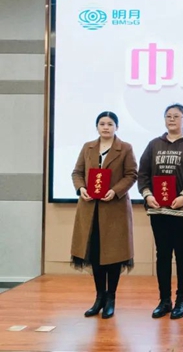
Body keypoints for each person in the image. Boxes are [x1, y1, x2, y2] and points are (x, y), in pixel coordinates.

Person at [138, 103, 183, 320]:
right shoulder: (154, 145)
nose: (172, 119)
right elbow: (143, 173)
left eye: (177, 116)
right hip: (158, 209)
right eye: (168, 116)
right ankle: (164, 300)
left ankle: (181, 300)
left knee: (182, 253)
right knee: (163, 254)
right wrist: (148, 195)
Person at [70, 111, 138, 319]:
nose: (106, 127)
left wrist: (115, 191)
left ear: (116, 127)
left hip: (114, 209)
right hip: (90, 209)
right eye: (102, 124)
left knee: (113, 256)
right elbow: (77, 173)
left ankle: (111, 298)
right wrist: (81, 188)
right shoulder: (88, 147)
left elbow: (131, 174)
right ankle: (99, 297)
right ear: (97, 127)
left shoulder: (125, 148)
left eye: (110, 124)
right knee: (96, 255)